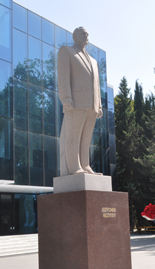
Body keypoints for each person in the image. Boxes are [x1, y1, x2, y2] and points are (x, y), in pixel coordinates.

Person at [57, 27, 103, 176]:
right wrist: (66, 98)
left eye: (87, 34)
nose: (86, 36)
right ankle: (74, 167)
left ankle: (85, 165)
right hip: (75, 102)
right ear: (75, 37)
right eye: (83, 33)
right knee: (74, 136)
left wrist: (99, 104)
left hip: (92, 104)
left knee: (86, 138)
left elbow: (96, 84)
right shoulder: (67, 51)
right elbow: (63, 77)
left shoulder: (94, 61)